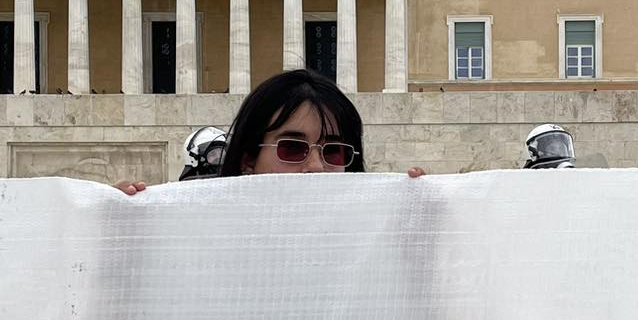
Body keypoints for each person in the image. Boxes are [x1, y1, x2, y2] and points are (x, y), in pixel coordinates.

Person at [115, 70, 421, 192]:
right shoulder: (193, 236)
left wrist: (425, 219)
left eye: (334, 151)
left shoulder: (374, 242)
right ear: (248, 159)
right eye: (293, 148)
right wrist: (107, 230)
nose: (317, 167)